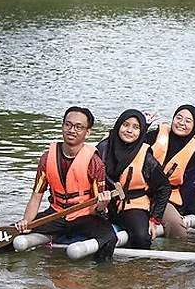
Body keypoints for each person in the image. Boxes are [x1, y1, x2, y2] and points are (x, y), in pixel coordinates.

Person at [15, 106, 117, 261]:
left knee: (109, 238)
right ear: (62, 126)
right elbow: (36, 197)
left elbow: (98, 207)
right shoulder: (46, 159)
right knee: (14, 233)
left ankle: (99, 274)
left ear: (87, 132)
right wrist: (27, 223)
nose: (72, 130)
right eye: (68, 125)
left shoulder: (95, 163)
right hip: (56, 213)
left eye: (78, 127)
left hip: (84, 216)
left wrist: (103, 204)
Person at [97, 109, 171, 249]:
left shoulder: (146, 156)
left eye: (136, 127)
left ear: (141, 131)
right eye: (125, 125)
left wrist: (154, 219)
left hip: (132, 206)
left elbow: (164, 187)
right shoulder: (102, 148)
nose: (129, 130)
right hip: (102, 205)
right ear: (118, 125)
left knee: (141, 237)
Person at [146, 105, 195, 238]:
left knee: (177, 228)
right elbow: (133, 146)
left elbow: (191, 184)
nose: (182, 123)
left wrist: (180, 211)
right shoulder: (155, 135)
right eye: (179, 118)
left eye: (188, 121)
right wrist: (145, 125)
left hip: (165, 198)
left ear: (194, 126)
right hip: (140, 191)